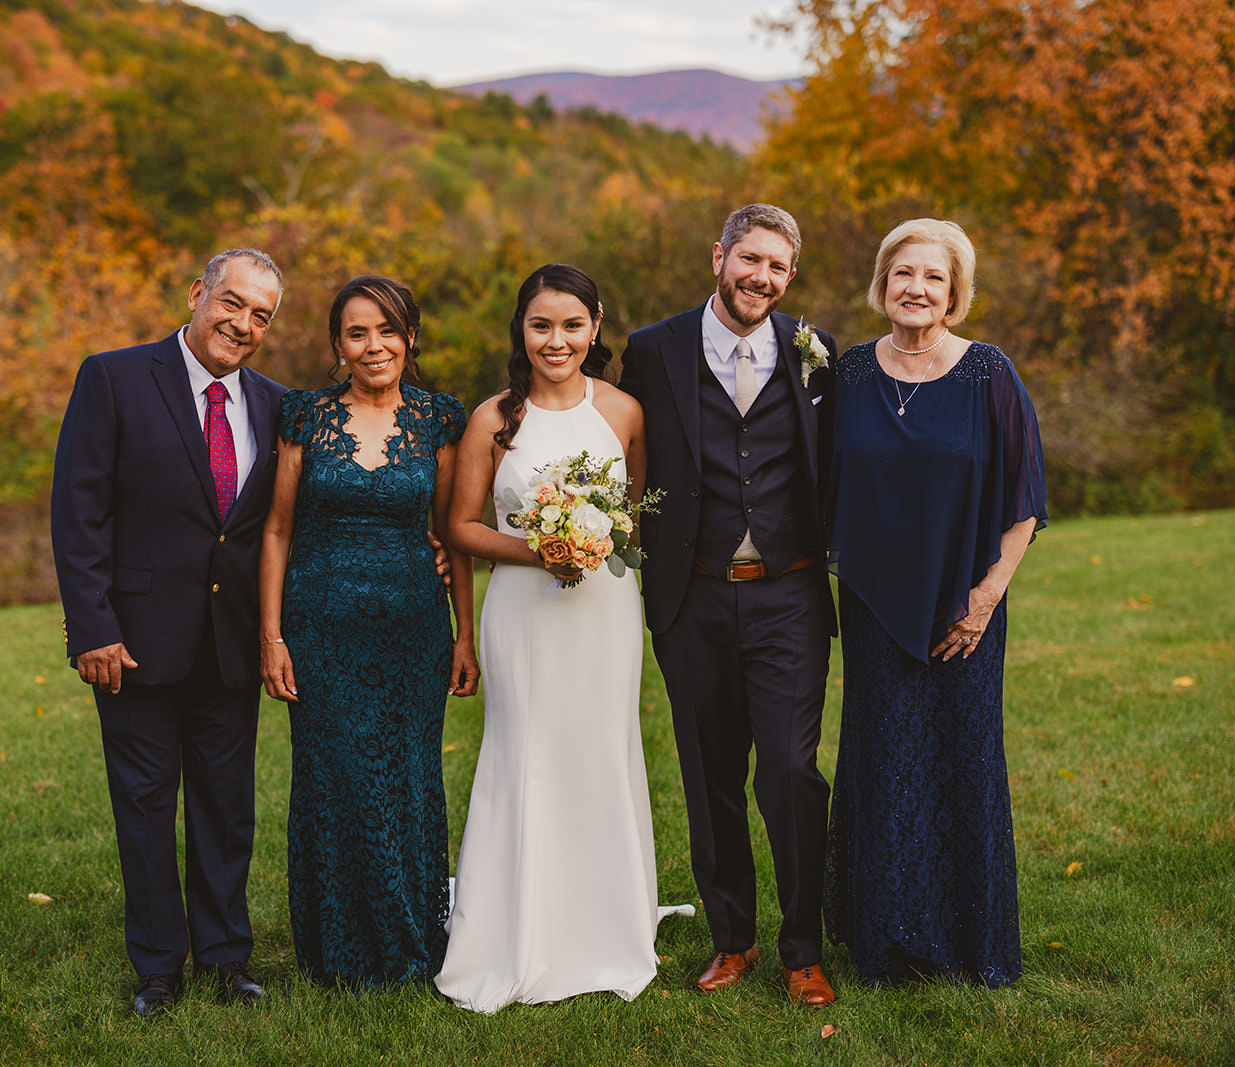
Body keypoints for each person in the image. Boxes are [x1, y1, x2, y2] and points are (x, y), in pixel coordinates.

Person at [50, 249, 287, 1016]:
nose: (243, 324)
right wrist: (92, 625)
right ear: (197, 294)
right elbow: (78, 510)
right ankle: (157, 967)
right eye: (233, 303)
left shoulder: (278, 406)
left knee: (227, 809)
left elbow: (289, 522)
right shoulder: (114, 378)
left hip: (230, 644)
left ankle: (226, 956)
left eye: (261, 315)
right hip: (133, 643)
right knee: (145, 808)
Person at [617, 203, 840, 1007]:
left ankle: (803, 948)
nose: (762, 277)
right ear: (719, 257)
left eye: (778, 266)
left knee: (789, 770)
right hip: (694, 596)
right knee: (711, 774)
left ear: (791, 275)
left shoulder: (816, 351)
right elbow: (618, 445)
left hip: (790, 596)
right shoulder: (653, 350)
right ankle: (731, 938)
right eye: (751, 259)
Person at [823, 219, 1046, 987]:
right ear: (883, 282)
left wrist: (984, 598)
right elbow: (816, 478)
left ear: (955, 294)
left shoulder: (989, 374)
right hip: (873, 604)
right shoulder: (851, 373)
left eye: (934, 277)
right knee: (883, 762)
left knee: (963, 759)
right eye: (903, 273)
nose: (916, 288)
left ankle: (970, 940)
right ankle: (888, 941)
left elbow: (1025, 498)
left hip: (964, 606)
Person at [435, 265, 656, 1013]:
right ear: (521, 331)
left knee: (601, 749)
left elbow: (633, 521)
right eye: (540, 325)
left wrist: (593, 541)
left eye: (571, 325)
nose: (555, 340)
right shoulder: (492, 419)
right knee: (525, 753)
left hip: (604, 612)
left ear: (595, 326)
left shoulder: (624, 411)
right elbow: (461, 526)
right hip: (522, 611)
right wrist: (543, 549)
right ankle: (517, 928)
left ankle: (606, 924)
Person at [259, 275, 478, 988]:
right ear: (338, 343)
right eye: (357, 332)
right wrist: (272, 637)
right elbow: (277, 530)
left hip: (415, 628)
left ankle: (411, 944)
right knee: (336, 781)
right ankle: (340, 951)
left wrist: (465, 635)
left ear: (410, 337)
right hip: (320, 628)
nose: (373, 345)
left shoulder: (440, 419)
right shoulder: (304, 416)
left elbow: (452, 534)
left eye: (387, 330)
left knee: (408, 779)